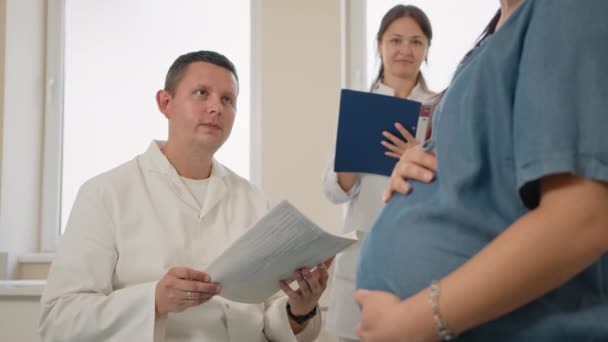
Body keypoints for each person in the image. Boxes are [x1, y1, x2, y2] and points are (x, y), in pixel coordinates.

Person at [355, 0, 608, 341]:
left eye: (416, 41)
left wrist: (410, 322)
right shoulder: (497, 35)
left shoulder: (566, 8)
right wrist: (421, 160)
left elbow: (584, 216)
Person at [39, 50, 330, 341]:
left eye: (228, 100)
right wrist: (153, 300)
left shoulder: (253, 200)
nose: (216, 107)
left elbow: (267, 319)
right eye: (202, 93)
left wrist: (299, 311)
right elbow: (58, 320)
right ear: (165, 103)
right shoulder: (105, 193)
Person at [321, 5, 437, 342]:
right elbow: (332, 191)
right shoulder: (360, 108)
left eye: (416, 41)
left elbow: (453, 183)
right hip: (362, 255)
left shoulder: (441, 106)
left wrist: (421, 154)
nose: (405, 50)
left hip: (420, 252)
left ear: (427, 49)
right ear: (379, 45)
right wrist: (352, 156)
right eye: (396, 40)